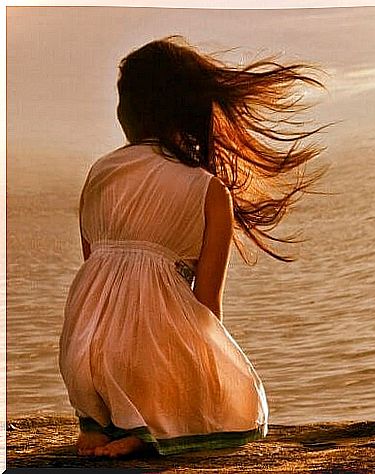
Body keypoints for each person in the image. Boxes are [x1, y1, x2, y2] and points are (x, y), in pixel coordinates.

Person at [58, 36, 328, 458]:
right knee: (235, 399)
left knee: (116, 333)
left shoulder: (100, 172)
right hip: (147, 365)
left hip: (84, 356)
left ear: (127, 113)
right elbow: (206, 310)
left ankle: (98, 423)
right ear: (188, 110)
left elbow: (94, 271)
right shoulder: (208, 191)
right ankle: (149, 429)